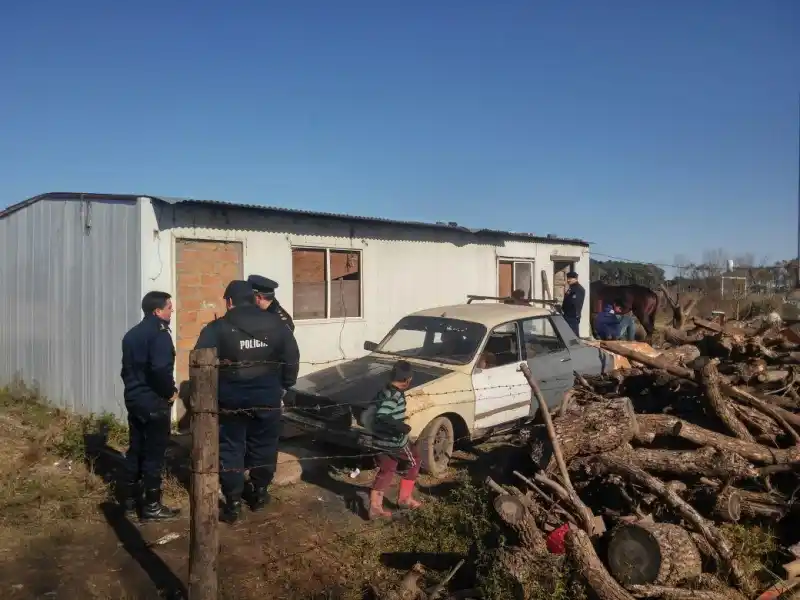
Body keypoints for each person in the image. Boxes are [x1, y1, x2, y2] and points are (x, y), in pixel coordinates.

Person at [194, 280, 300, 524]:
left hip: (232, 399)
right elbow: (291, 358)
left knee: (232, 448)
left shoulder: (217, 327)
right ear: (254, 298)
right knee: (264, 444)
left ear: (229, 302)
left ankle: (233, 501)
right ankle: (260, 493)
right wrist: (284, 385)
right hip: (267, 396)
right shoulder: (277, 323)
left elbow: (199, 362)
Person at [120, 291, 180, 520]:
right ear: (157, 311)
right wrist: (170, 392)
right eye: (169, 307)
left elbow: (125, 370)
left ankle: (128, 502)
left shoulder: (131, 335)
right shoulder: (160, 335)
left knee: (136, 449)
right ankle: (152, 506)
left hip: (135, 400)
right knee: (154, 453)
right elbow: (160, 370)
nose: (171, 311)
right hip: (154, 401)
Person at [364, 360, 423, 520]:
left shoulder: (384, 390)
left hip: (380, 440)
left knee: (387, 468)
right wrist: (400, 426)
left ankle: (375, 507)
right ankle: (405, 498)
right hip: (395, 441)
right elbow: (383, 414)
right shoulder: (395, 395)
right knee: (415, 459)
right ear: (408, 380)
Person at [561, 271, 585, 337]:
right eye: (567, 278)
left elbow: (575, 303)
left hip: (572, 315)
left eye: (570, 278)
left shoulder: (578, 289)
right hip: (567, 315)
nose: (568, 280)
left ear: (575, 279)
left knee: (573, 335)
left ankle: (577, 347)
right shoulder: (571, 288)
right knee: (567, 336)